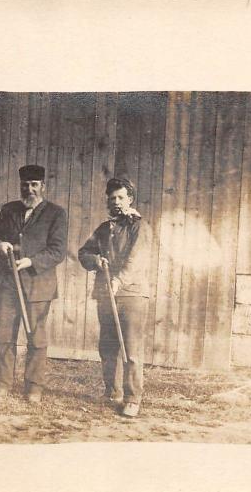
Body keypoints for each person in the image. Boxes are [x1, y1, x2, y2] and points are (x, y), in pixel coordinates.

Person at [0, 164, 68, 403]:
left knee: (36, 337)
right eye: (25, 185)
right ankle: (2, 385)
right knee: (4, 336)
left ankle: (33, 388)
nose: (29, 189)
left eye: (34, 185)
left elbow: (58, 251)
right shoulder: (8, 210)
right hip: (8, 284)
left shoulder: (56, 213)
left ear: (43, 186)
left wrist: (30, 261)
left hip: (38, 285)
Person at [77, 178, 151, 417]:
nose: (116, 202)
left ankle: (132, 398)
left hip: (131, 294)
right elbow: (84, 252)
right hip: (106, 294)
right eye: (112, 198)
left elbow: (135, 261)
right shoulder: (103, 229)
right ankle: (113, 391)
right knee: (108, 346)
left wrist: (118, 281)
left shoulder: (138, 227)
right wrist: (96, 261)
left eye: (120, 197)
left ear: (130, 199)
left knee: (131, 347)